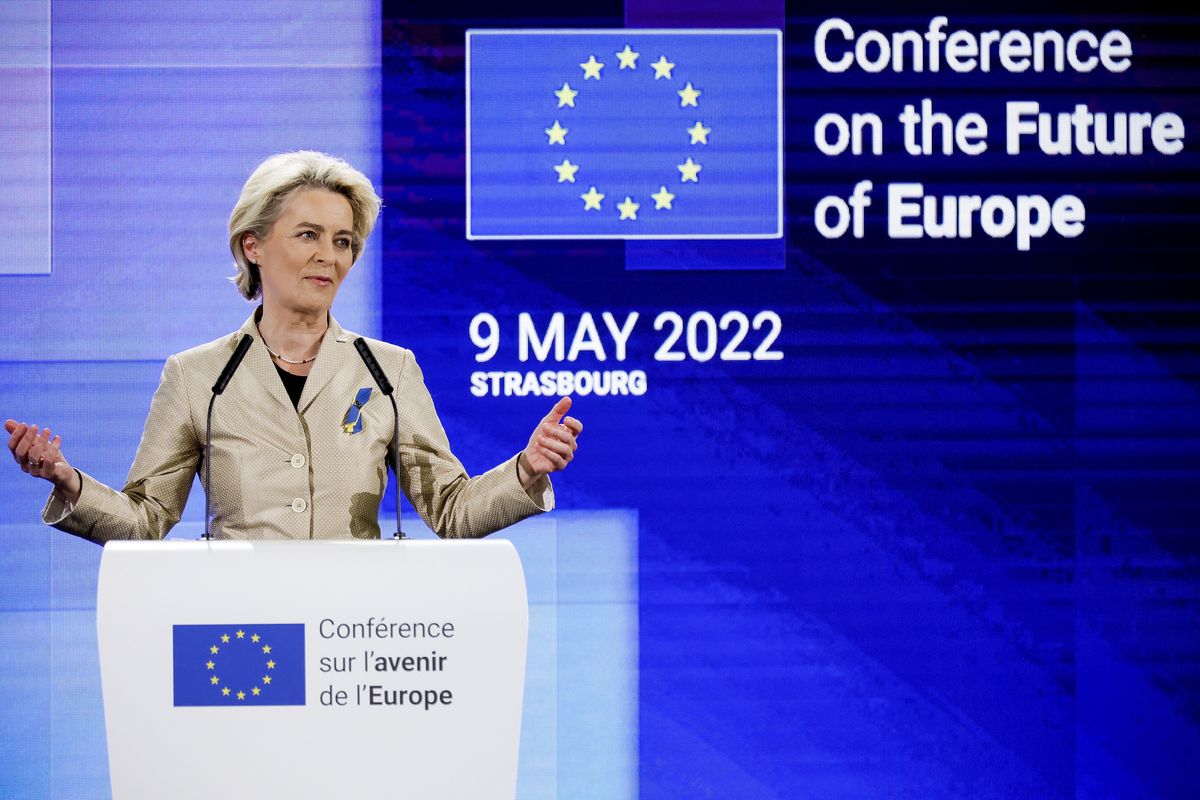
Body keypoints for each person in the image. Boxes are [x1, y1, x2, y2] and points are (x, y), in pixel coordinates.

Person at [5, 150, 582, 542]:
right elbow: (146, 519)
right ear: (252, 245)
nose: (328, 256)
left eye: (343, 241)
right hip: (244, 637)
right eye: (307, 235)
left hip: (356, 642)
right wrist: (68, 481)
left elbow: (452, 512)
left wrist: (527, 470)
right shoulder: (196, 377)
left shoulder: (389, 371)